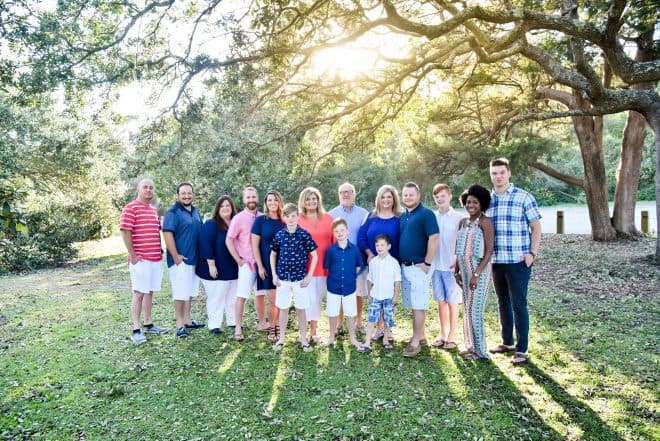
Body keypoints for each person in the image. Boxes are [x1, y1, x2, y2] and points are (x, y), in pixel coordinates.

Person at [487, 158, 542, 365]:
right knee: (503, 302)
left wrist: (532, 254)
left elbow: (536, 228)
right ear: (490, 175)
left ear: (508, 173)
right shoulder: (489, 200)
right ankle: (507, 342)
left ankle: (522, 349)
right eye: (494, 173)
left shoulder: (523, 197)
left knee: (519, 303)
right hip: (497, 261)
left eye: (501, 172)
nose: (498, 176)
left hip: (519, 261)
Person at [119, 178, 168, 345]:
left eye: (151, 188)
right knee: (139, 293)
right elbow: (125, 231)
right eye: (145, 187)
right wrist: (132, 255)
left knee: (149, 292)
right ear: (138, 189)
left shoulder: (154, 210)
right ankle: (136, 329)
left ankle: (149, 323)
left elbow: (157, 232)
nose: (148, 190)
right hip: (140, 259)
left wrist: (160, 250)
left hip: (155, 258)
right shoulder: (130, 208)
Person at [270, 203, 318, 351]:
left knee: (301, 309)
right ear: (284, 218)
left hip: (300, 279)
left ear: (297, 217)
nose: (291, 219)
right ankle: (282, 338)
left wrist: (309, 276)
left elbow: (314, 255)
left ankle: (303, 339)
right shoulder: (279, 235)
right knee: (283, 308)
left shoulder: (304, 234)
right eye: (287, 216)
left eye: (293, 216)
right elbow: (273, 254)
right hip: (283, 278)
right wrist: (274, 274)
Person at [399, 182, 439, 357]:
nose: (408, 197)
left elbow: (434, 237)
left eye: (411, 194)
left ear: (419, 195)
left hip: (419, 266)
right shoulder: (404, 215)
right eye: (405, 195)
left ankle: (415, 343)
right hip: (405, 266)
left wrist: (427, 263)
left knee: (418, 304)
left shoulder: (426, 214)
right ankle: (419, 335)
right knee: (413, 303)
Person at [454, 185, 494, 360]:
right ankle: (470, 346)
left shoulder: (486, 222)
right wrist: (456, 271)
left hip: (479, 272)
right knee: (467, 310)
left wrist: (476, 274)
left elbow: (489, 251)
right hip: (464, 271)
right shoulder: (463, 222)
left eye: (475, 202)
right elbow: (460, 250)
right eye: (468, 201)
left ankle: (480, 351)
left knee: (475, 311)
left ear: (482, 203)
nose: (471, 205)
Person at [358, 184, 401, 342]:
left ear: (394, 199)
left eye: (389, 197)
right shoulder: (371, 216)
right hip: (374, 263)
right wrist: (369, 253)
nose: (386, 200)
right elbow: (361, 237)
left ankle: (386, 330)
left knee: (388, 296)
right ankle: (379, 328)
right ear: (378, 199)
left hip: (391, 264)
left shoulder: (399, 218)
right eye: (383, 197)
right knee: (376, 294)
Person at [163, 183, 205, 339]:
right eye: (183, 193)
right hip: (180, 260)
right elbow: (168, 235)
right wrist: (176, 256)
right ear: (177, 195)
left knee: (189, 292)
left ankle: (188, 320)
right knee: (180, 293)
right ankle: (180, 325)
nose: (187, 196)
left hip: (194, 259)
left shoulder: (195, 212)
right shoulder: (173, 212)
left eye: (189, 193)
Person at [329, 182, 369, 332]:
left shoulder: (364, 214)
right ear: (339, 195)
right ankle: (339, 324)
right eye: (342, 192)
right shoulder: (331, 214)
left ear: (354, 193)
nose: (345, 194)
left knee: (359, 292)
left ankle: (358, 322)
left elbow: (366, 236)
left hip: (358, 261)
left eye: (349, 191)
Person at [226, 187, 264, 341]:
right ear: (243, 200)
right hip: (246, 264)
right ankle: (238, 327)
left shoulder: (263, 217)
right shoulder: (238, 218)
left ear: (258, 198)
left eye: (253, 197)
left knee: (260, 295)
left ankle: (262, 322)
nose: (251, 200)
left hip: (262, 264)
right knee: (241, 296)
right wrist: (238, 260)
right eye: (248, 197)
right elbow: (229, 239)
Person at [196, 195, 239, 334]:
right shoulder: (211, 224)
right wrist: (211, 265)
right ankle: (214, 325)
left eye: (228, 205)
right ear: (217, 209)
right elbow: (205, 244)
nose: (225, 208)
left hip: (233, 268)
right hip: (215, 268)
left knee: (232, 297)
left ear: (232, 208)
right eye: (222, 206)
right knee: (216, 297)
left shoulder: (235, 223)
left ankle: (232, 322)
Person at [297, 187, 334, 344]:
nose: (311, 201)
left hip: (324, 266)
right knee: (305, 300)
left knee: (317, 300)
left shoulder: (328, 218)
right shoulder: (297, 219)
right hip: (305, 267)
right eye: (308, 199)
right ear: (303, 202)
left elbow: (333, 243)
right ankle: (303, 333)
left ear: (318, 200)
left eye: (314, 198)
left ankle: (314, 331)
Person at [430, 184, 464, 350]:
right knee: (441, 301)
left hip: (452, 267)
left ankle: (452, 336)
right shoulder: (432, 216)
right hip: (436, 266)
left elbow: (462, 242)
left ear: (450, 196)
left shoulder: (458, 218)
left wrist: (458, 260)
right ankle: (442, 334)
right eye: (437, 196)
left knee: (452, 301)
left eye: (442, 195)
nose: (440, 199)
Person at [323, 218, 364, 349]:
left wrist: (352, 277)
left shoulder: (355, 249)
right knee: (332, 312)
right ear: (333, 233)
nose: (340, 233)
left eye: (342, 230)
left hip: (349, 287)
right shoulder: (330, 250)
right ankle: (331, 336)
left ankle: (352, 338)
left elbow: (359, 266)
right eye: (336, 231)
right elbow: (327, 267)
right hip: (333, 287)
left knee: (351, 313)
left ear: (347, 230)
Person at [251, 190, 285, 342]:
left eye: (275, 200)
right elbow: (254, 245)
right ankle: (273, 326)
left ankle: (278, 325)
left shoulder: (285, 220)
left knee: (282, 298)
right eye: (269, 200)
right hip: (266, 264)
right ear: (265, 203)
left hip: (284, 265)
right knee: (273, 299)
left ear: (279, 202)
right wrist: (260, 266)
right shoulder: (260, 221)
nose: (272, 203)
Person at [359, 234, 401, 352]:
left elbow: (397, 281)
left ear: (388, 246)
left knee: (388, 319)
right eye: (377, 245)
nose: (379, 247)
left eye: (382, 245)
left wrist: (395, 296)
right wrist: (369, 295)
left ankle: (386, 339)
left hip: (388, 297)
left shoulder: (394, 262)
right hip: (376, 296)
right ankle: (367, 342)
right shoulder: (373, 262)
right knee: (372, 318)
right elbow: (369, 279)